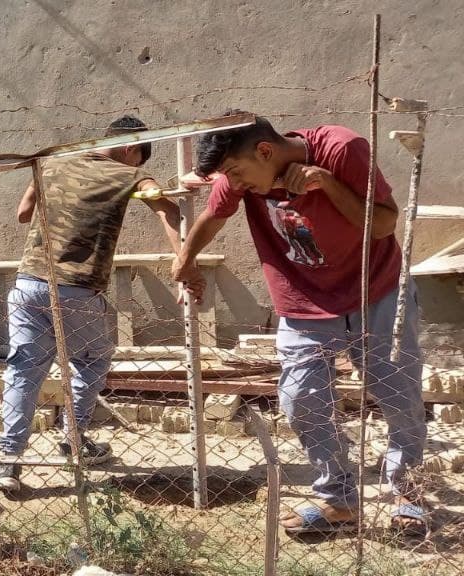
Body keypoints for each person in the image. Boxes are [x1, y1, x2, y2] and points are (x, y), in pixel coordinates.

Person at [171, 111, 427, 537]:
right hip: (304, 300)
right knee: (301, 399)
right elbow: (213, 217)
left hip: (376, 290)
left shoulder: (341, 149)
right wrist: (184, 261)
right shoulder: (238, 176)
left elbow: (384, 224)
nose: (233, 183)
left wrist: (327, 183)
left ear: (265, 150)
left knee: (398, 395)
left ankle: (408, 493)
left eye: (235, 172)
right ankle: (339, 500)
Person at [0, 116, 186, 492]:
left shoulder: (52, 162)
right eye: (139, 158)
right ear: (132, 148)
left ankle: (8, 461)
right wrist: (183, 261)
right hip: (77, 290)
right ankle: (74, 439)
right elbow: (168, 209)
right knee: (92, 361)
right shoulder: (130, 176)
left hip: (29, 283)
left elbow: (23, 213)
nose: (137, 166)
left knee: (23, 372)